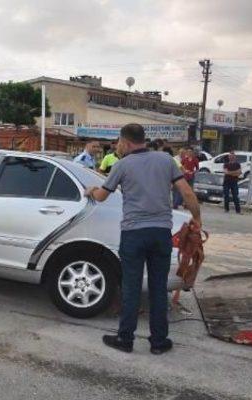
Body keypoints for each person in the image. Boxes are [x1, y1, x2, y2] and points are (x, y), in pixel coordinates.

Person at [85, 123, 201, 355]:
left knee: (131, 287)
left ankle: (125, 339)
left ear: (126, 142)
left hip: (134, 234)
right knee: (158, 289)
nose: (118, 146)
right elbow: (187, 193)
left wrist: (91, 191)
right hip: (160, 234)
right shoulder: (166, 160)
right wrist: (197, 219)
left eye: (119, 141)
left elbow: (102, 196)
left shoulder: (122, 165)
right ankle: (159, 342)